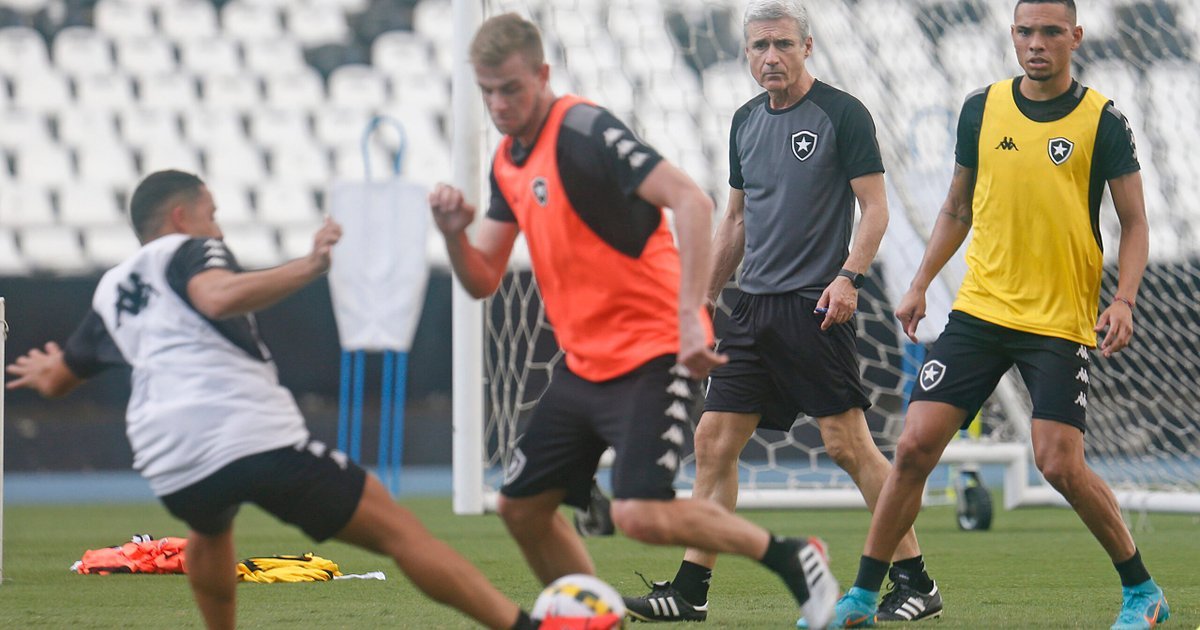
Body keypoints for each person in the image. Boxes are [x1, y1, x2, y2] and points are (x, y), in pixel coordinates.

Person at [428, 13, 838, 628]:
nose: (498, 104)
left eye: (510, 88)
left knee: (640, 516)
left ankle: (793, 558)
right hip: (584, 365)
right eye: (486, 90)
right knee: (520, 507)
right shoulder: (507, 163)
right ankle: (601, 617)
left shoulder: (584, 129)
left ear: (541, 76)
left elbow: (691, 200)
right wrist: (455, 238)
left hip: (653, 351)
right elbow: (483, 278)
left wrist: (692, 315)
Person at [5, 170, 537, 630]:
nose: (217, 227)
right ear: (180, 214)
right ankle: (519, 624)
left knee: (209, 530)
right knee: (399, 531)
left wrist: (43, 369)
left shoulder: (112, 288)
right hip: (239, 427)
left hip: (165, 455)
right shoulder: (192, 249)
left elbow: (58, 382)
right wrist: (309, 267)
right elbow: (215, 297)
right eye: (211, 214)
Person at [833, 1, 1168, 628]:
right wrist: (921, 281)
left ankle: (1142, 590)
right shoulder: (981, 108)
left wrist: (1123, 299)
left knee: (1058, 461)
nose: (1036, 43)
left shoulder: (1104, 120)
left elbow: (1137, 222)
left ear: (1075, 35)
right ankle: (860, 595)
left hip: (1058, 322)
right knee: (911, 448)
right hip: (980, 312)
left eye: (1049, 32)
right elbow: (957, 208)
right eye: (1024, 32)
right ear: (1012, 36)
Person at [623, 1, 941, 625]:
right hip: (750, 310)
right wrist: (705, 300)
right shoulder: (744, 121)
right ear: (746, 54)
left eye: (783, 45)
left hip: (815, 305)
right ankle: (691, 592)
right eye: (758, 47)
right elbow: (735, 219)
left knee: (847, 445)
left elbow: (874, 209)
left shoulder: (842, 114)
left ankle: (916, 581)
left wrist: (850, 277)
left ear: (807, 47)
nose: (770, 57)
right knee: (713, 441)